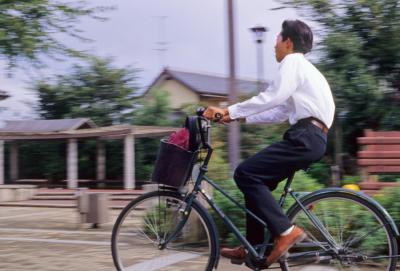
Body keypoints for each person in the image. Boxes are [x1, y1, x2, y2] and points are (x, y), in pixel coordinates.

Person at [203, 19, 335, 267]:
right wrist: (237, 118)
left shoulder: (292, 62)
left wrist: (227, 109)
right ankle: (255, 247)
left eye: (276, 39)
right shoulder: (303, 69)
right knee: (256, 179)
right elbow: (278, 111)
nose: (274, 45)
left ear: (288, 42)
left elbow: (271, 97)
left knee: (245, 173)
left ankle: (286, 232)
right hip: (311, 136)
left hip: (305, 136)